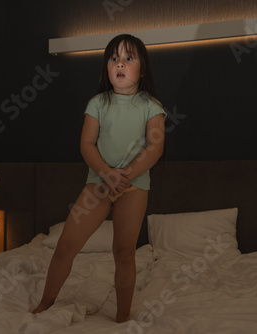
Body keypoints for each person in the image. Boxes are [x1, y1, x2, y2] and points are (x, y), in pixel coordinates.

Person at [31, 34, 166, 323]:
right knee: (66, 245)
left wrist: (125, 175)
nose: (120, 63)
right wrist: (107, 173)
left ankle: (122, 315)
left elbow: (155, 147)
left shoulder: (150, 105)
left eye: (129, 58)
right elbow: (86, 144)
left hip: (133, 186)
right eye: (113, 57)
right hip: (98, 184)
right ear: (106, 67)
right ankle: (45, 301)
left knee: (124, 251)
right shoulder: (98, 103)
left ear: (142, 70)